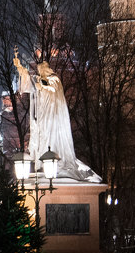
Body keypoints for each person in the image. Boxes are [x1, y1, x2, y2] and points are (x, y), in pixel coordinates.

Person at [14, 49, 94, 182]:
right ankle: (45, 163)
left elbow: (51, 88)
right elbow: (29, 82)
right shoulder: (40, 80)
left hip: (53, 114)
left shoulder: (54, 79)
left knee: (52, 137)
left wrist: (42, 86)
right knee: (44, 136)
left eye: (41, 70)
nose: (40, 73)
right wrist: (19, 67)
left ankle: (56, 161)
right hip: (43, 115)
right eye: (39, 71)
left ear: (46, 69)